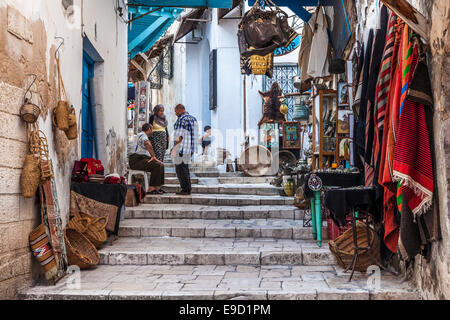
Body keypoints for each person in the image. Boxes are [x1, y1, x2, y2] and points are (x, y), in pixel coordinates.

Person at [129, 123, 165, 195]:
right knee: (156, 165)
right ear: (149, 129)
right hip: (136, 160)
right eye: (152, 130)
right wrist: (153, 156)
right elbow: (148, 144)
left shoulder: (139, 135)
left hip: (141, 159)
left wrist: (154, 158)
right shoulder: (142, 135)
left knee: (161, 165)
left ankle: (157, 187)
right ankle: (151, 188)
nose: (152, 132)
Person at [171, 104, 199, 196]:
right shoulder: (193, 119)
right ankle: (188, 188)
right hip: (190, 148)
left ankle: (185, 189)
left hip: (182, 148)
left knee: (180, 169)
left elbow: (179, 136)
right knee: (185, 168)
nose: (175, 114)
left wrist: (174, 148)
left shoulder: (181, 119)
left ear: (179, 110)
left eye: (176, 111)